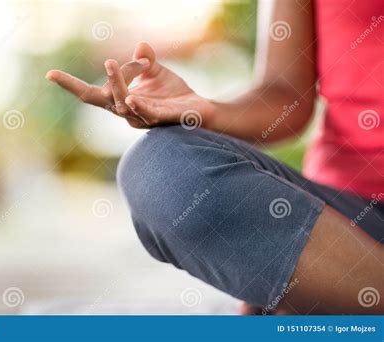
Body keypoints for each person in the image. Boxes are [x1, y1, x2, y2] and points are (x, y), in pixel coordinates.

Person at [46, 0, 383, 314]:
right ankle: (351, 284)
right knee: (160, 170)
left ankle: (351, 297)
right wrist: (202, 111)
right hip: (350, 224)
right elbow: (284, 92)